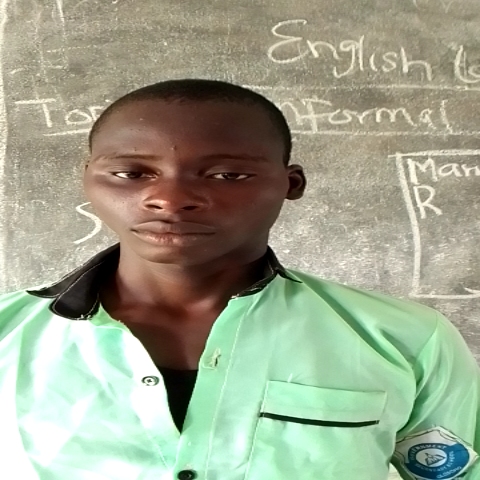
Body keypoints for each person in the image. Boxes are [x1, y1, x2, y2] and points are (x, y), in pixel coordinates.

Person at [0, 79, 478, 480]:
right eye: (131, 173)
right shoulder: (8, 334)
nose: (170, 198)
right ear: (88, 177)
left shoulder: (406, 340)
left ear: (291, 184)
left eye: (227, 175)